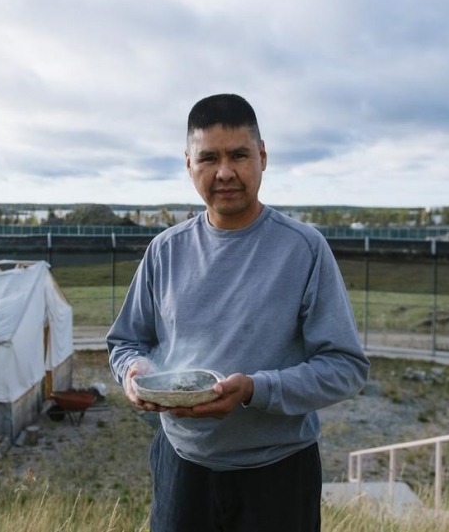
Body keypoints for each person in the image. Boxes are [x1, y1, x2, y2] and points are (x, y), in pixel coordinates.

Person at [107, 93, 370, 532]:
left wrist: (255, 389)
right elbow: (126, 342)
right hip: (182, 469)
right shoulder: (165, 251)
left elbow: (346, 367)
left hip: (279, 475)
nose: (225, 171)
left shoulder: (304, 249)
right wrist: (134, 371)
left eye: (239, 155)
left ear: (262, 156)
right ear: (188, 164)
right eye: (208, 158)